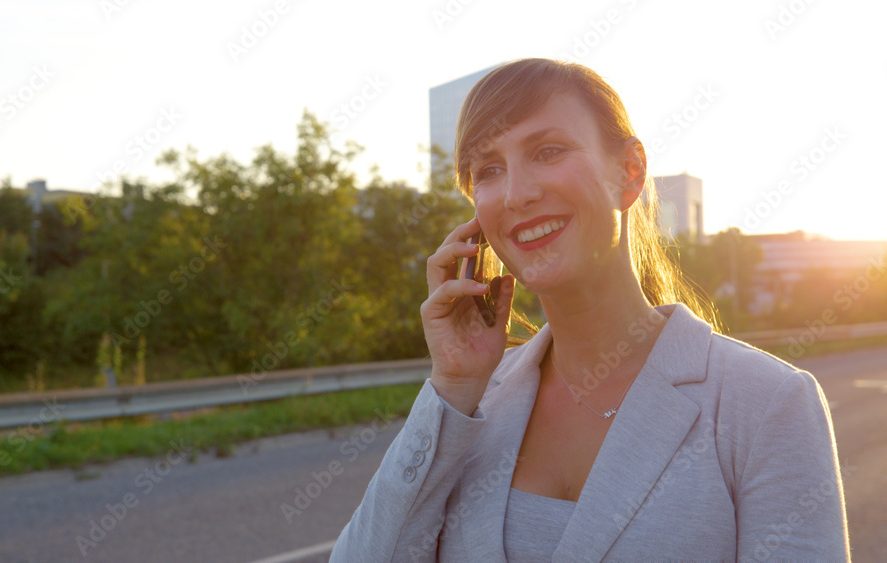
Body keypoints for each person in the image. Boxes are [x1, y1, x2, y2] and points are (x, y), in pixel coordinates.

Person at [329, 58, 850, 561]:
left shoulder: (768, 403)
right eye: (489, 169)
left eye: (548, 150)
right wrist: (453, 385)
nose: (517, 193)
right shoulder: (473, 402)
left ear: (629, 171)